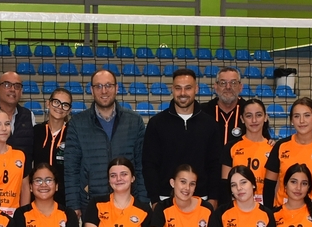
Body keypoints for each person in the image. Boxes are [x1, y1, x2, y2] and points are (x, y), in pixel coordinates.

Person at [63, 69, 148, 214]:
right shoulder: (77, 123)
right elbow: (71, 168)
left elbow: (141, 165)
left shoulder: (134, 121)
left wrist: (144, 201)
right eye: (98, 86)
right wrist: (73, 205)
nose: (104, 91)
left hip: (129, 202)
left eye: (108, 85)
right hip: (92, 204)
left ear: (116, 88)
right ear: (91, 90)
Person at [142, 68, 222, 201]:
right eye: (178, 88)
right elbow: (149, 165)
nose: (183, 93)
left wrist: (213, 198)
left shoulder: (209, 124)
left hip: (200, 198)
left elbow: (215, 164)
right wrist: (155, 199)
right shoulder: (156, 123)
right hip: (165, 198)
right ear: (172, 89)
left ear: (196, 89)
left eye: (188, 88)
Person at [264, 98, 312, 211]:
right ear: (291, 121)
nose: (301, 121)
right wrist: (269, 214)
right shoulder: (280, 146)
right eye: (296, 116)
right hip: (283, 215)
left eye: (307, 115)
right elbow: (269, 186)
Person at [219, 98, 272, 206]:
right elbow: (225, 184)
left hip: (265, 207)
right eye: (249, 116)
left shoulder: (273, 148)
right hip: (237, 206)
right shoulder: (231, 147)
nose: (254, 120)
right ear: (242, 119)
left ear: (265, 117)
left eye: (258, 115)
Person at [30, 88, 71, 208]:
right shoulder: (36, 132)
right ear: (48, 103)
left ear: (69, 110)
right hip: (38, 196)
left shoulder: (73, 134)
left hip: (64, 199)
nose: (60, 107)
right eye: (56, 102)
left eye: (65, 105)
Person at [202, 66, 246, 147]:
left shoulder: (249, 111)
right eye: (223, 83)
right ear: (215, 87)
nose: (228, 87)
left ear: (240, 87)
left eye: (233, 83)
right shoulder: (203, 111)